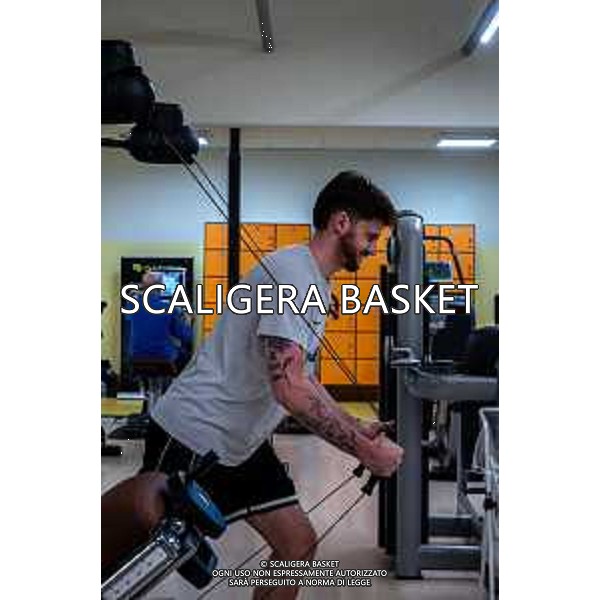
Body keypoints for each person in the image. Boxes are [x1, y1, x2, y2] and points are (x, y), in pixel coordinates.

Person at [142, 171, 404, 600]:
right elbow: (289, 389)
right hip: (193, 434)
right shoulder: (294, 276)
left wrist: (356, 427)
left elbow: (304, 379)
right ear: (341, 222)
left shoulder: (312, 281)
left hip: (240, 443)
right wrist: (363, 451)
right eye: (370, 236)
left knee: (297, 545)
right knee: (139, 561)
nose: (373, 249)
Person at [125, 271, 194, 373]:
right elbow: (186, 336)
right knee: (186, 355)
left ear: (142, 286)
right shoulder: (168, 308)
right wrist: (188, 321)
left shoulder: (131, 305)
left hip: (135, 356)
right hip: (163, 357)